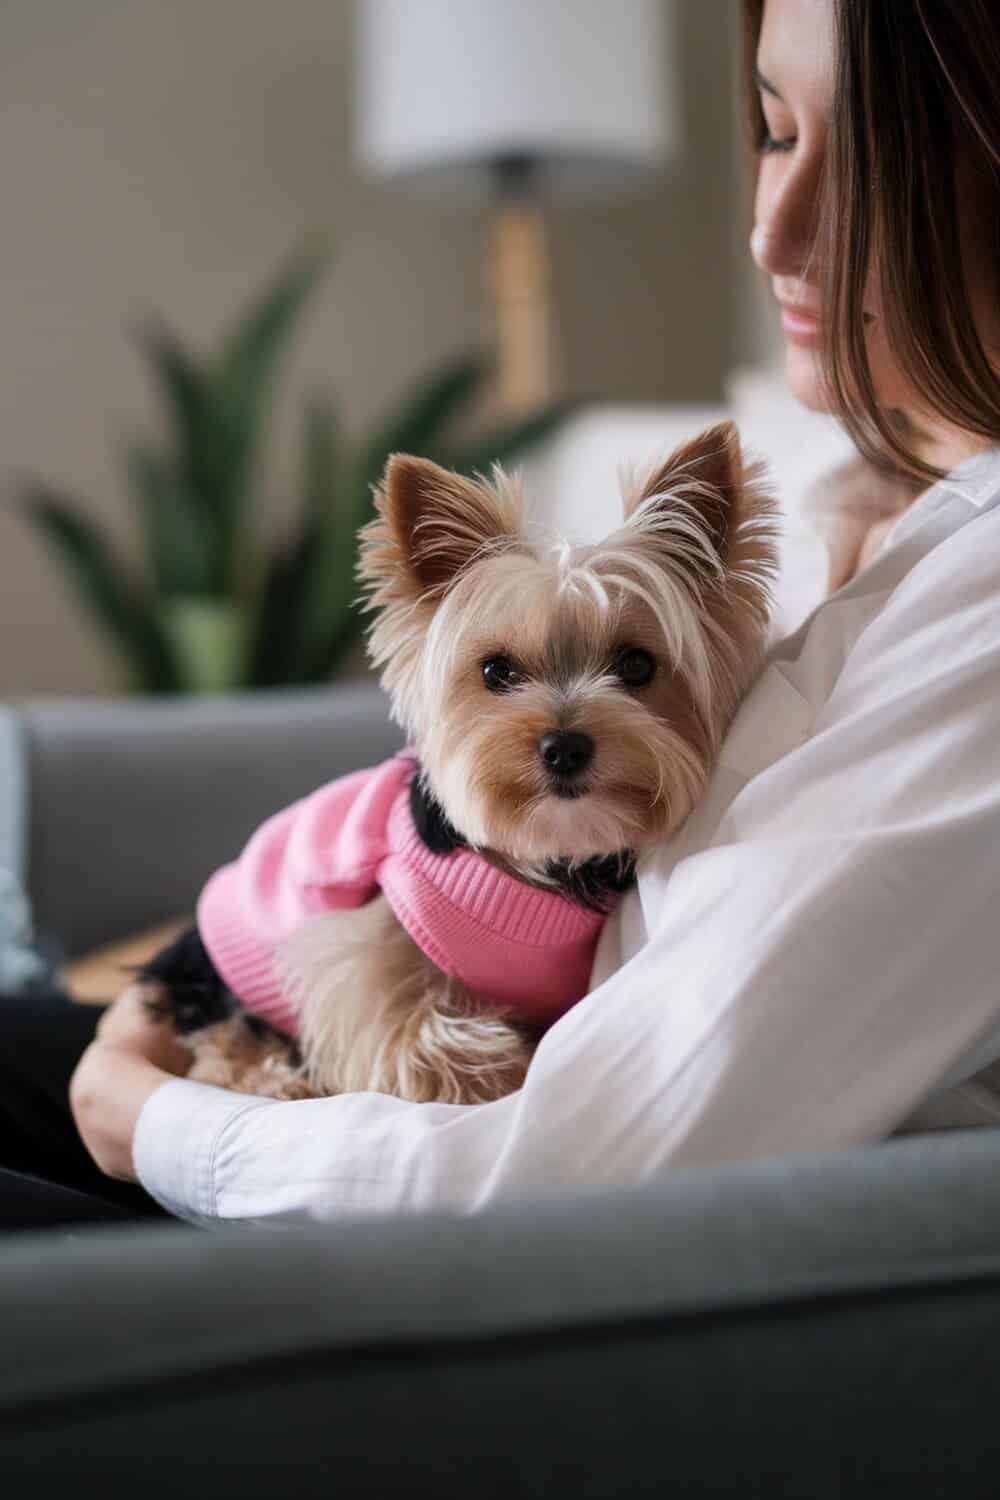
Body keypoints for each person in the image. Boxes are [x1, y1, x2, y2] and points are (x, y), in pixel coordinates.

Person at [6, 0, 1000, 1231]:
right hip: (246, 1023)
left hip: (393, 1201)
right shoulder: (901, 521)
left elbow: (564, 1163)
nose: (767, 234)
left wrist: (141, 1112)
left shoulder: (977, 616)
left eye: (868, 170)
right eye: (773, 134)